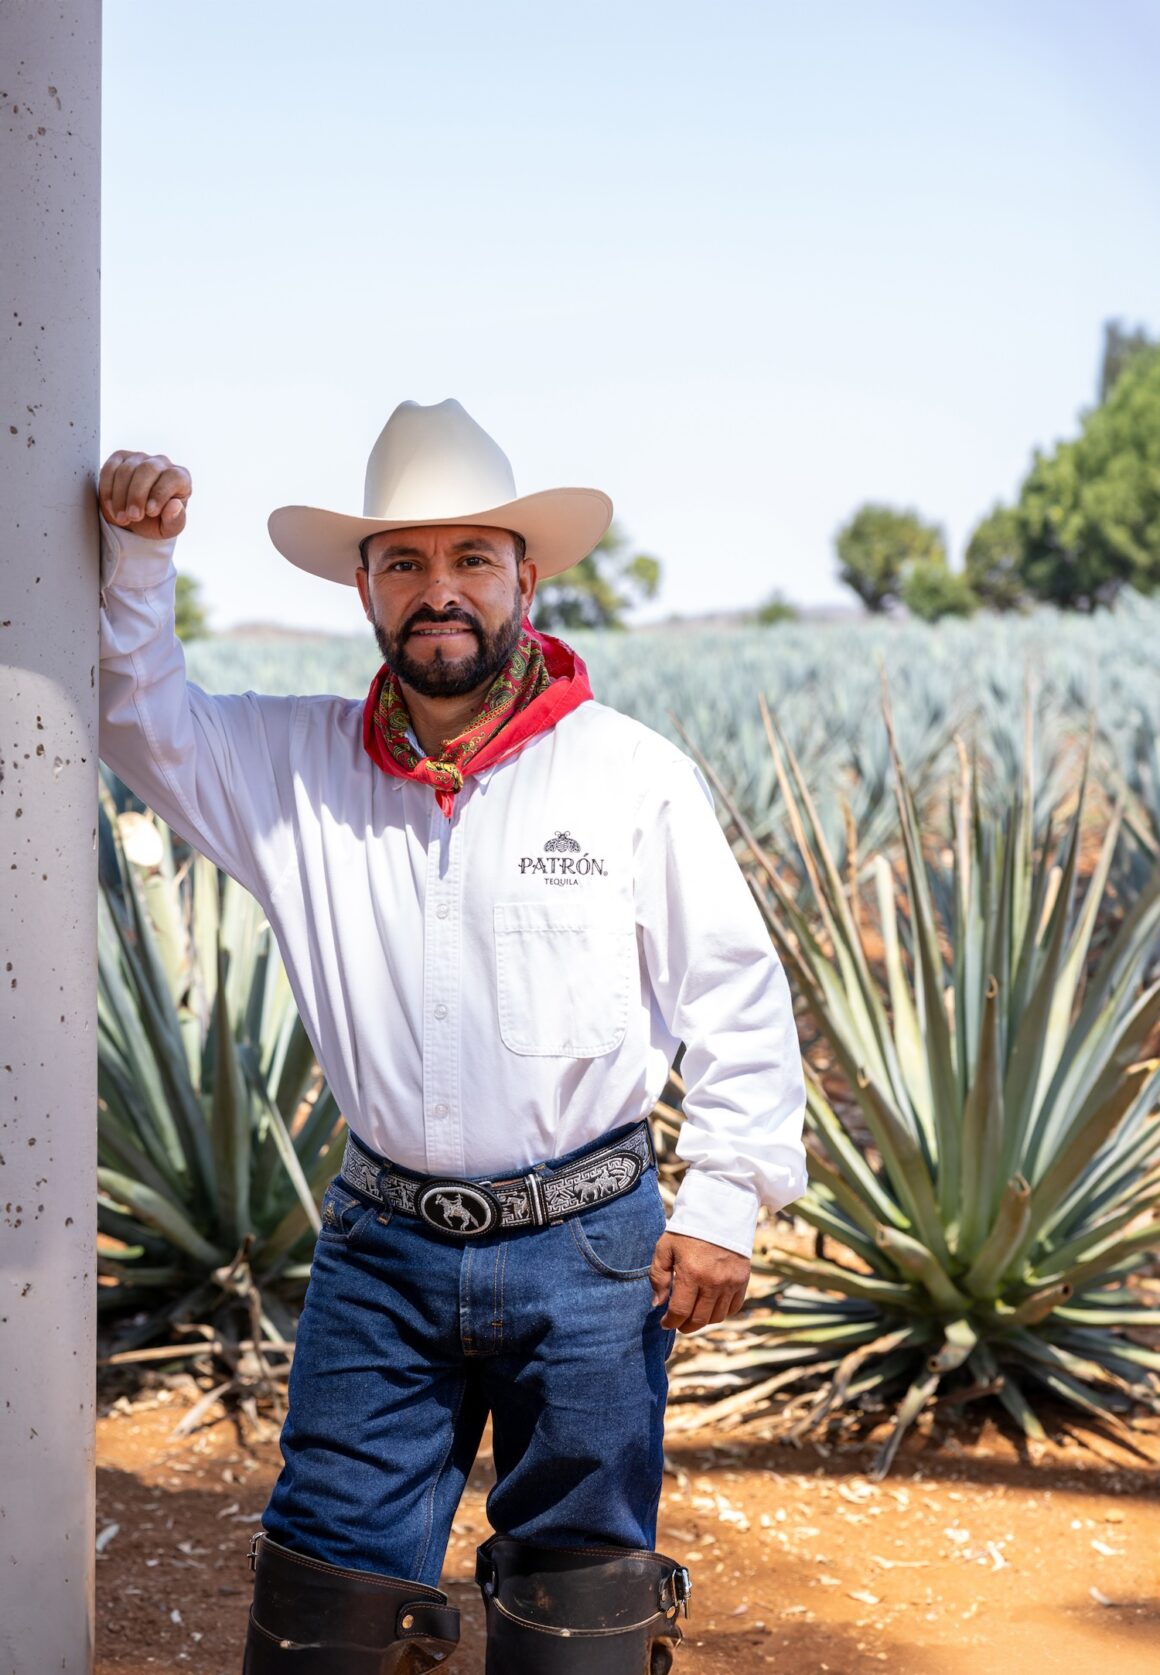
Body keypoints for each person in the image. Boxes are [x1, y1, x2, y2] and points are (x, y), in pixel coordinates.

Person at [97, 399, 807, 1673]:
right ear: (363, 588)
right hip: (384, 1250)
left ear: (523, 579)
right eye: (406, 562)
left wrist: (725, 1199)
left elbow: (735, 990)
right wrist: (140, 556)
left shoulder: (628, 775)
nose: (440, 591)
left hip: (593, 1255)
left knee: (577, 1588)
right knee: (326, 1590)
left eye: (471, 559)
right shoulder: (291, 768)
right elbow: (143, 718)